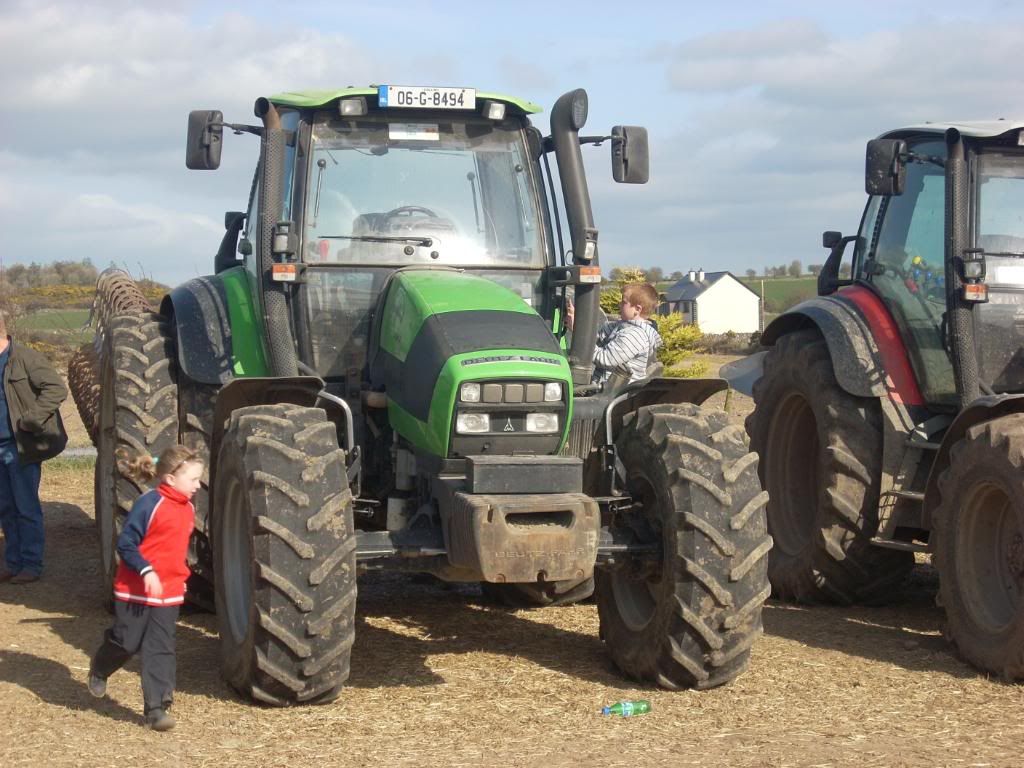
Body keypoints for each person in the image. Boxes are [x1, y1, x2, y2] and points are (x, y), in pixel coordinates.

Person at [88, 446, 203, 732]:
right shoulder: (149, 504)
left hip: (168, 591)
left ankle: (157, 708)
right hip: (135, 589)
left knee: (160, 647)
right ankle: (101, 666)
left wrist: (180, 575)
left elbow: (176, 549)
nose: (198, 486)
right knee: (127, 642)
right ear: (171, 479)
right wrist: (146, 570)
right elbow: (126, 544)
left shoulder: (188, 509)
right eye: (193, 480)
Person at [0, 309, 68, 584]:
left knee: (25, 506)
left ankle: (31, 564)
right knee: (5, 507)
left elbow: (56, 388)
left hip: (20, 446)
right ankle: (12, 562)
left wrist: (32, 419)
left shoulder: (25, 358)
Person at [567, 282, 663, 385]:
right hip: (604, 387)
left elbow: (605, 359)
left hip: (618, 392)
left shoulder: (634, 336)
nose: (619, 304)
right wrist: (578, 320)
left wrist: (577, 330)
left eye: (624, 302)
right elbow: (596, 338)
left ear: (637, 309)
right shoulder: (619, 326)